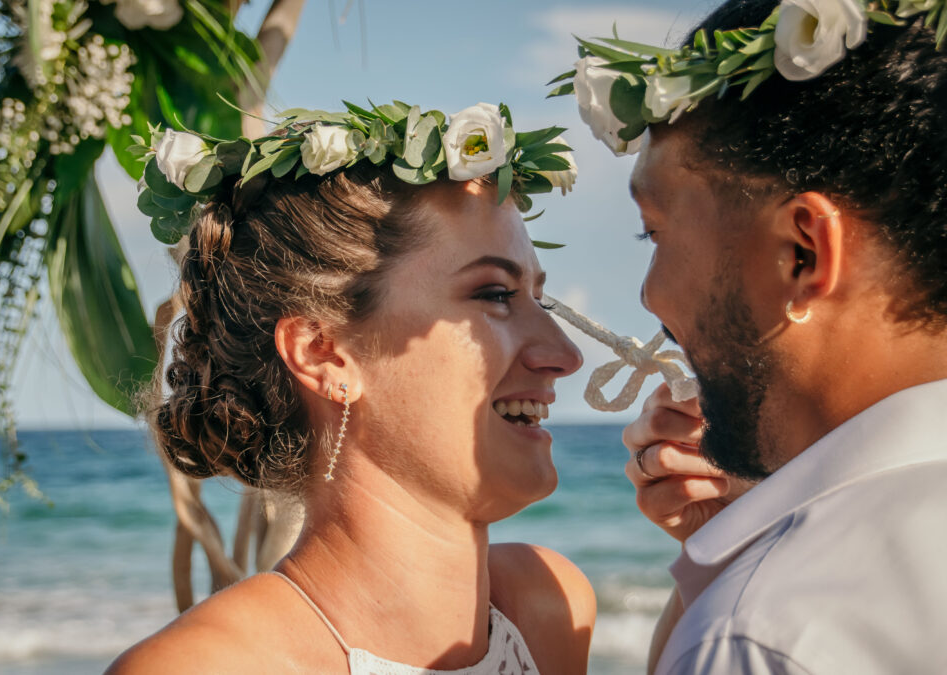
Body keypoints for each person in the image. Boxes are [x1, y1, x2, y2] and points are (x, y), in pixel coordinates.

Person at [108, 101, 594, 674]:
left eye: (539, 297)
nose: (565, 355)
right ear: (324, 353)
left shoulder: (548, 609)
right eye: (494, 294)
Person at [564, 0, 947, 672]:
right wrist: (748, 536)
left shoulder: (768, 631)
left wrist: (751, 584)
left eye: (653, 232)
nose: (649, 295)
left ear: (802, 254)